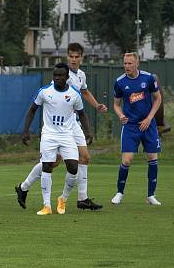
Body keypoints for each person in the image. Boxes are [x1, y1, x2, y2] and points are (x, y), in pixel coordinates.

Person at [15, 43, 106, 212]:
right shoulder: (63, 75)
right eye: (70, 56)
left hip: (73, 124)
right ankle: (25, 187)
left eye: (76, 56)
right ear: (67, 57)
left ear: (81, 58)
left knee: (84, 157)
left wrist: (96, 105)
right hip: (61, 127)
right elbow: (54, 97)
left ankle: (82, 198)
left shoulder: (80, 75)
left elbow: (84, 92)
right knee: (53, 162)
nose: (73, 59)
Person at [21, 63, 90, 215]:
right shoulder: (44, 92)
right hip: (49, 135)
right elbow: (32, 110)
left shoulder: (74, 95)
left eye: (60, 75)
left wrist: (88, 132)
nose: (57, 78)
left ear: (67, 77)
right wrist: (25, 131)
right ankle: (47, 205)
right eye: (55, 75)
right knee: (47, 166)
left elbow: (82, 114)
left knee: (73, 168)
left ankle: (63, 198)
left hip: (67, 135)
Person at [111, 53, 162, 205]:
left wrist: (149, 118)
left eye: (130, 63)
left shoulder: (148, 78)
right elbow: (116, 104)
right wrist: (120, 115)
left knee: (152, 158)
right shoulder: (120, 82)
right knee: (127, 160)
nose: (127, 66)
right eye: (125, 63)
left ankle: (151, 195)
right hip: (131, 126)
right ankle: (119, 193)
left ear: (137, 63)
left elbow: (158, 98)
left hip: (148, 124)